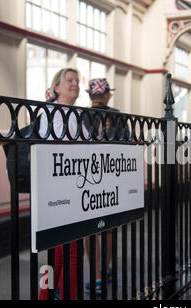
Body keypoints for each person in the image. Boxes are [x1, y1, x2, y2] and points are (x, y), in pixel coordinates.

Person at [38, 67, 82, 300]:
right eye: (69, 80)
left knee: (60, 250)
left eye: (77, 80)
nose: (75, 83)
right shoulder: (51, 112)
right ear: (56, 87)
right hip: (60, 189)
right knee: (68, 250)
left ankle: (48, 296)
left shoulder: (75, 114)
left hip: (71, 188)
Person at [84, 78, 117, 295]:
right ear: (107, 95)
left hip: (86, 177)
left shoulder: (81, 115)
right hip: (111, 176)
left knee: (90, 230)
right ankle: (105, 271)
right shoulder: (117, 116)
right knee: (109, 227)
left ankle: (96, 277)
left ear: (89, 95)